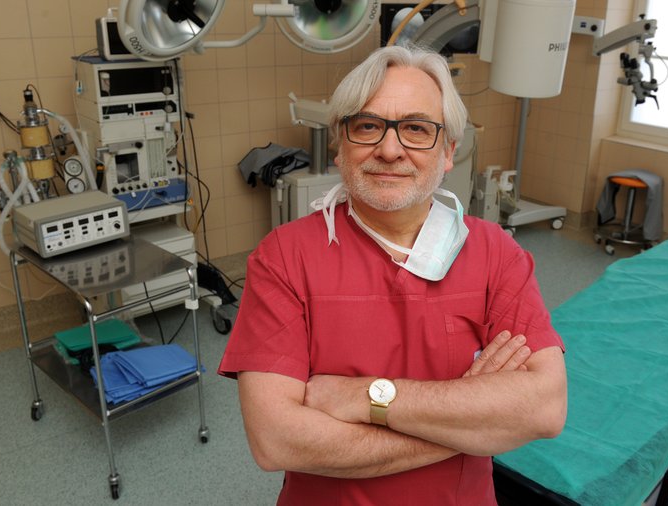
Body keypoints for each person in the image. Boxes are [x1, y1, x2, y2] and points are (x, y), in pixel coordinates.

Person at [218, 45, 567, 505]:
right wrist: (470, 421)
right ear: (340, 146)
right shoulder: (284, 259)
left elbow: (544, 408)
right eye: (367, 126)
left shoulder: (495, 254)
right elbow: (276, 440)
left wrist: (367, 397)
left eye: (417, 129)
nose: (389, 149)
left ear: (448, 152)